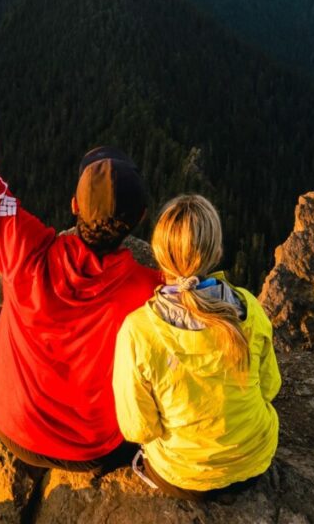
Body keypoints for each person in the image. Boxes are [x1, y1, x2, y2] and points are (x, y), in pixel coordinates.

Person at [0, 0, 161, 476]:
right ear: (139, 222)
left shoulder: (25, 247)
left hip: (16, 430)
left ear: (74, 206)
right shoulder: (148, 289)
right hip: (100, 450)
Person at [113, 193, 281, 500]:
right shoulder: (249, 309)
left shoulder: (138, 330)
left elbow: (138, 429)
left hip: (183, 475)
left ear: (159, 254)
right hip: (254, 461)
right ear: (216, 251)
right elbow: (270, 387)